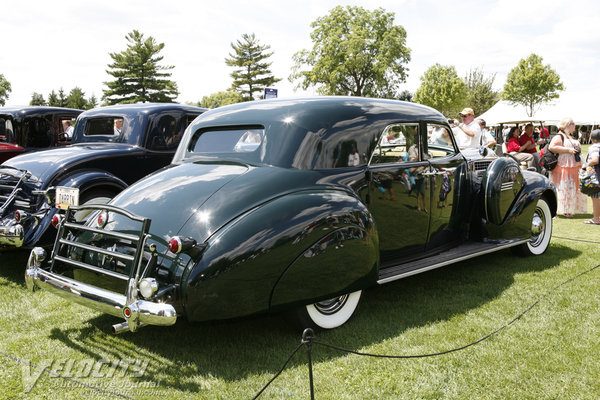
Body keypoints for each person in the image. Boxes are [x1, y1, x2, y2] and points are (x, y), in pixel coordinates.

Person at [548, 117, 587, 217]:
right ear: (567, 125)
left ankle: (569, 209)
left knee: (572, 187)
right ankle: (564, 209)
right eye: (572, 124)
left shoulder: (570, 136)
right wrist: (568, 150)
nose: (574, 125)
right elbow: (551, 147)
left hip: (573, 165)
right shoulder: (559, 136)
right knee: (563, 187)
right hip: (563, 166)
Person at [583, 129, 600, 224]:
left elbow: (595, 160)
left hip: (596, 175)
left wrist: (586, 164)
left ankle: (596, 218)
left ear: (592, 138)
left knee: (595, 197)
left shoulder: (594, 147)